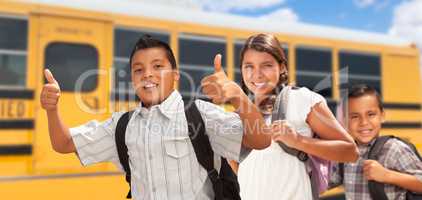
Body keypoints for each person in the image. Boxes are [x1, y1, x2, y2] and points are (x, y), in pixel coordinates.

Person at [40, 35, 271, 200]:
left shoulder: (200, 115)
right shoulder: (122, 126)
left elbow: (261, 140)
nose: (147, 74)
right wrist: (52, 109)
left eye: (158, 66)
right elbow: (64, 143)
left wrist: (238, 96)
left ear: (176, 75)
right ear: (132, 78)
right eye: (138, 69)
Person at [230, 33, 359, 200]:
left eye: (266, 65)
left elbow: (351, 151)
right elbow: (242, 172)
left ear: (282, 67)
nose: (257, 74)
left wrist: (298, 140)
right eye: (249, 66)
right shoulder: (238, 115)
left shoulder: (302, 100)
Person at [329, 84, 422, 200]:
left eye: (371, 114)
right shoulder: (346, 153)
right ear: (345, 121)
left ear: (382, 116)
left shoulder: (394, 148)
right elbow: (326, 182)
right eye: (354, 117)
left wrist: (387, 175)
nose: (363, 122)